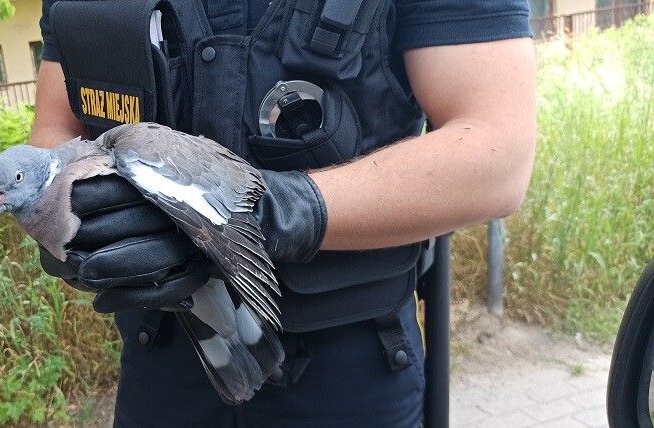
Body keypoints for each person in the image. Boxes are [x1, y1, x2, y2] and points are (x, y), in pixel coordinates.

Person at [27, 0, 536, 426]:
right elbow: (55, 132)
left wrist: (262, 214)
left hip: (348, 370)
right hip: (161, 356)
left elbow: (497, 156)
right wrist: (72, 220)